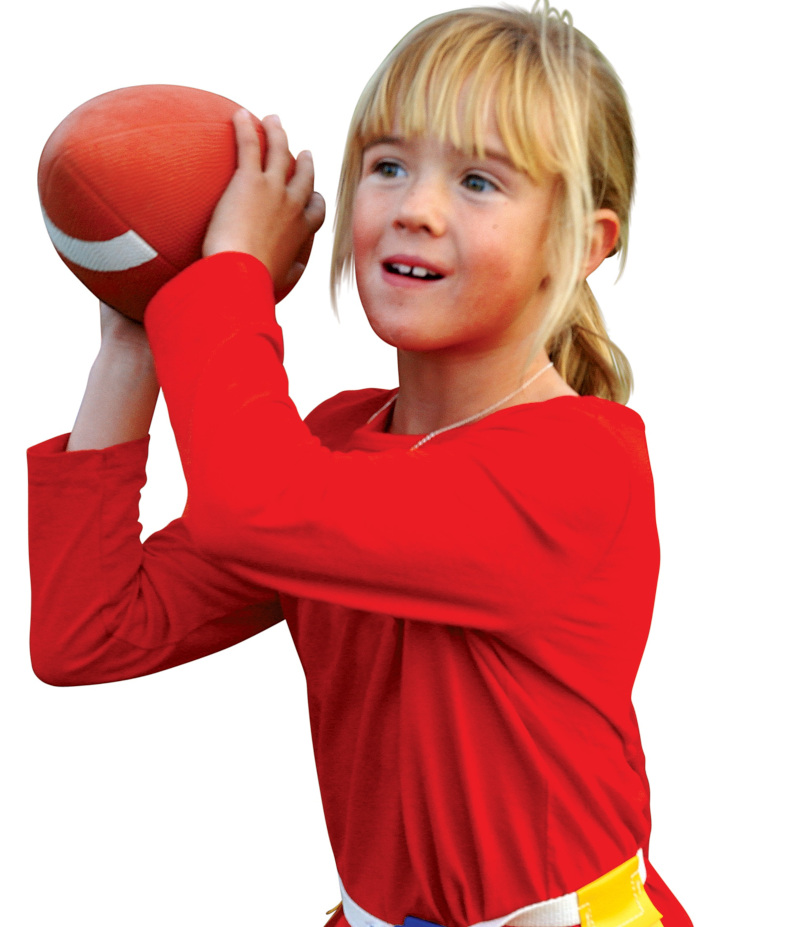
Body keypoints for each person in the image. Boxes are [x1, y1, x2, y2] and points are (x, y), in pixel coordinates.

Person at [27, 3, 693, 925]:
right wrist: (136, 341)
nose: (414, 209)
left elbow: (257, 506)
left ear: (583, 246)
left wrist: (228, 285)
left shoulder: (581, 468)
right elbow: (89, 631)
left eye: (478, 181)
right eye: (388, 166)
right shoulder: (335, 447)